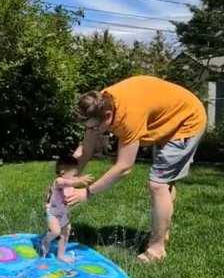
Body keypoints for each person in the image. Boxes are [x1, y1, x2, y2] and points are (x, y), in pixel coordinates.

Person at [66, 75, 207, 264]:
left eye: (94, 127)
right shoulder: (99, 104)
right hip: (167, 119)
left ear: (107, 117)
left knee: (158, 184)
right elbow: (86, 149)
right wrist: (66, 181)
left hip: (186, 121)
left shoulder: (127, 116)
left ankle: (157, 249)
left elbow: (124, 167)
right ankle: (162, 233)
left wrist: (87, 193)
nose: (92, 131)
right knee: (164, 183)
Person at [41, 156, 93, 263]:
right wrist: (78, 181)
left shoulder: (69, 185)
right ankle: (46, 240)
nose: (76, 177)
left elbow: (69, 198)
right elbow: (65, 183)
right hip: (53, 213)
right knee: (56, 231)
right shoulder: (58, 181)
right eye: (74, 175)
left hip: (63, 213)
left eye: (77, 175)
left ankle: (61, 255)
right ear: (63, 172)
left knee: (66, 232)